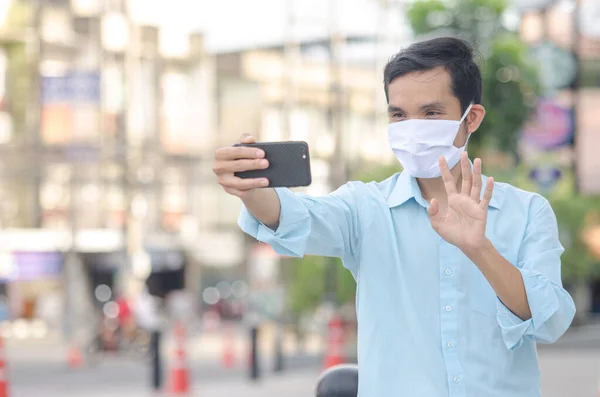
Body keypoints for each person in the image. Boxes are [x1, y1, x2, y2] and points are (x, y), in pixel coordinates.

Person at [212, 37, 576, 396]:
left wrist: (480, 249)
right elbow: (293, 219)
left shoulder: (527, 212)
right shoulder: (365, 207)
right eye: (399, 115)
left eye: (431, 113)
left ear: (472, 118)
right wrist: (252, 189)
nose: (412, 127)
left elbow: (550, 321)